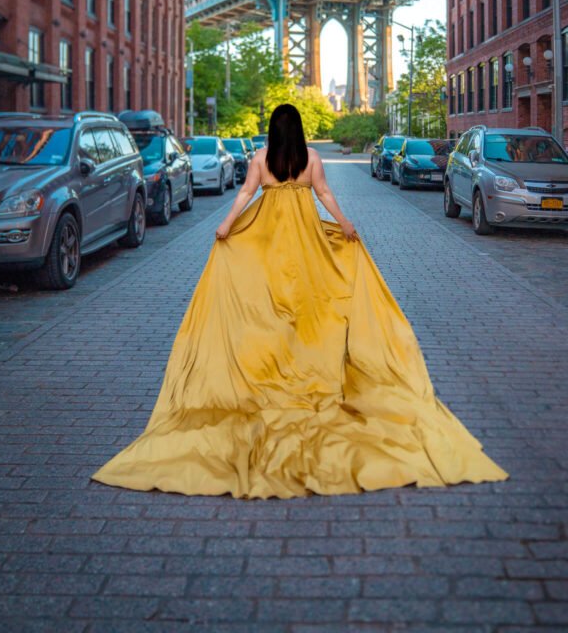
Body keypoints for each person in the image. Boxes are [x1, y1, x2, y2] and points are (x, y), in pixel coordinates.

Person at [91, 103, 508, 498]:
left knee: (270, 305)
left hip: (270, 245)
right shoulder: (310, 158)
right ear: (300, 130)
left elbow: (244, 197)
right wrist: (345, 226)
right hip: (307, 246)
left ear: (273, 130)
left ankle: (275, 366)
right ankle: (303, 362)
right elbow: (324, 195)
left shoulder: (259, 158)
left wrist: (225, 226)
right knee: (312, 305)